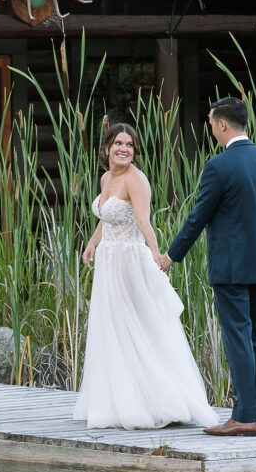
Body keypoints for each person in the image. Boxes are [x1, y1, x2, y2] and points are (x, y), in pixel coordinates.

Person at [74, 123, 218, 429]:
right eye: (118, 143)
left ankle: (160, 399)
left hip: (129, 258)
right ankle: (117, 400)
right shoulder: (105, 178)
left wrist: (157, 255)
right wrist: (91, 242)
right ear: (107, 148)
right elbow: (106, 217)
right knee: (110, 325)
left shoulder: (136, 180)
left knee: (135, 323)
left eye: (129, 145)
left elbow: (142, 220)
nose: (124, 149)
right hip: (107, 259)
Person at [159, 96, 256, 436]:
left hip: (231, 267)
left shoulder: (219, 166)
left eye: (212, 123)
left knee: (238, 339)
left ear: (223, 125)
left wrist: (171, 255)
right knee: (255, 338)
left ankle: (244, 417)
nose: (212, 129)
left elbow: (198, 217)